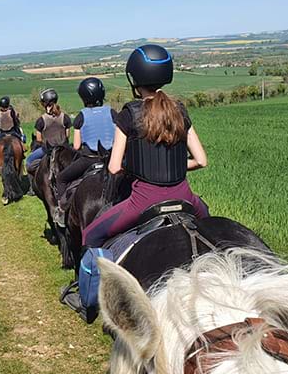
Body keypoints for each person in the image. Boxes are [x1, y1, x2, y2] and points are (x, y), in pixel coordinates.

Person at [82, 44, 209, 247]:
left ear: (134, 78)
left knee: (90, 235)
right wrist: (171, 167)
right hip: (185, 196)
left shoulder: (129, 114)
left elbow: (114, 167)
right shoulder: (179, 110)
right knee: (209, 227)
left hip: (143, 201)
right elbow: (201, 160)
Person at [53, 77, 116, 226]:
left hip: (89, 159)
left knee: (61, 178)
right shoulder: (112, 112)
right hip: (111, 158)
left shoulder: (81, 116)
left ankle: (62, 211)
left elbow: (76, 146)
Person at [25, 88, 71, 173]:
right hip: (64, 148)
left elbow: (38, 139)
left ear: (44, 104)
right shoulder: (65, 117)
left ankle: (34, 184)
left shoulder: (41, 120)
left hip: (47, 150)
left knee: (29, 161)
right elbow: (67, 135)